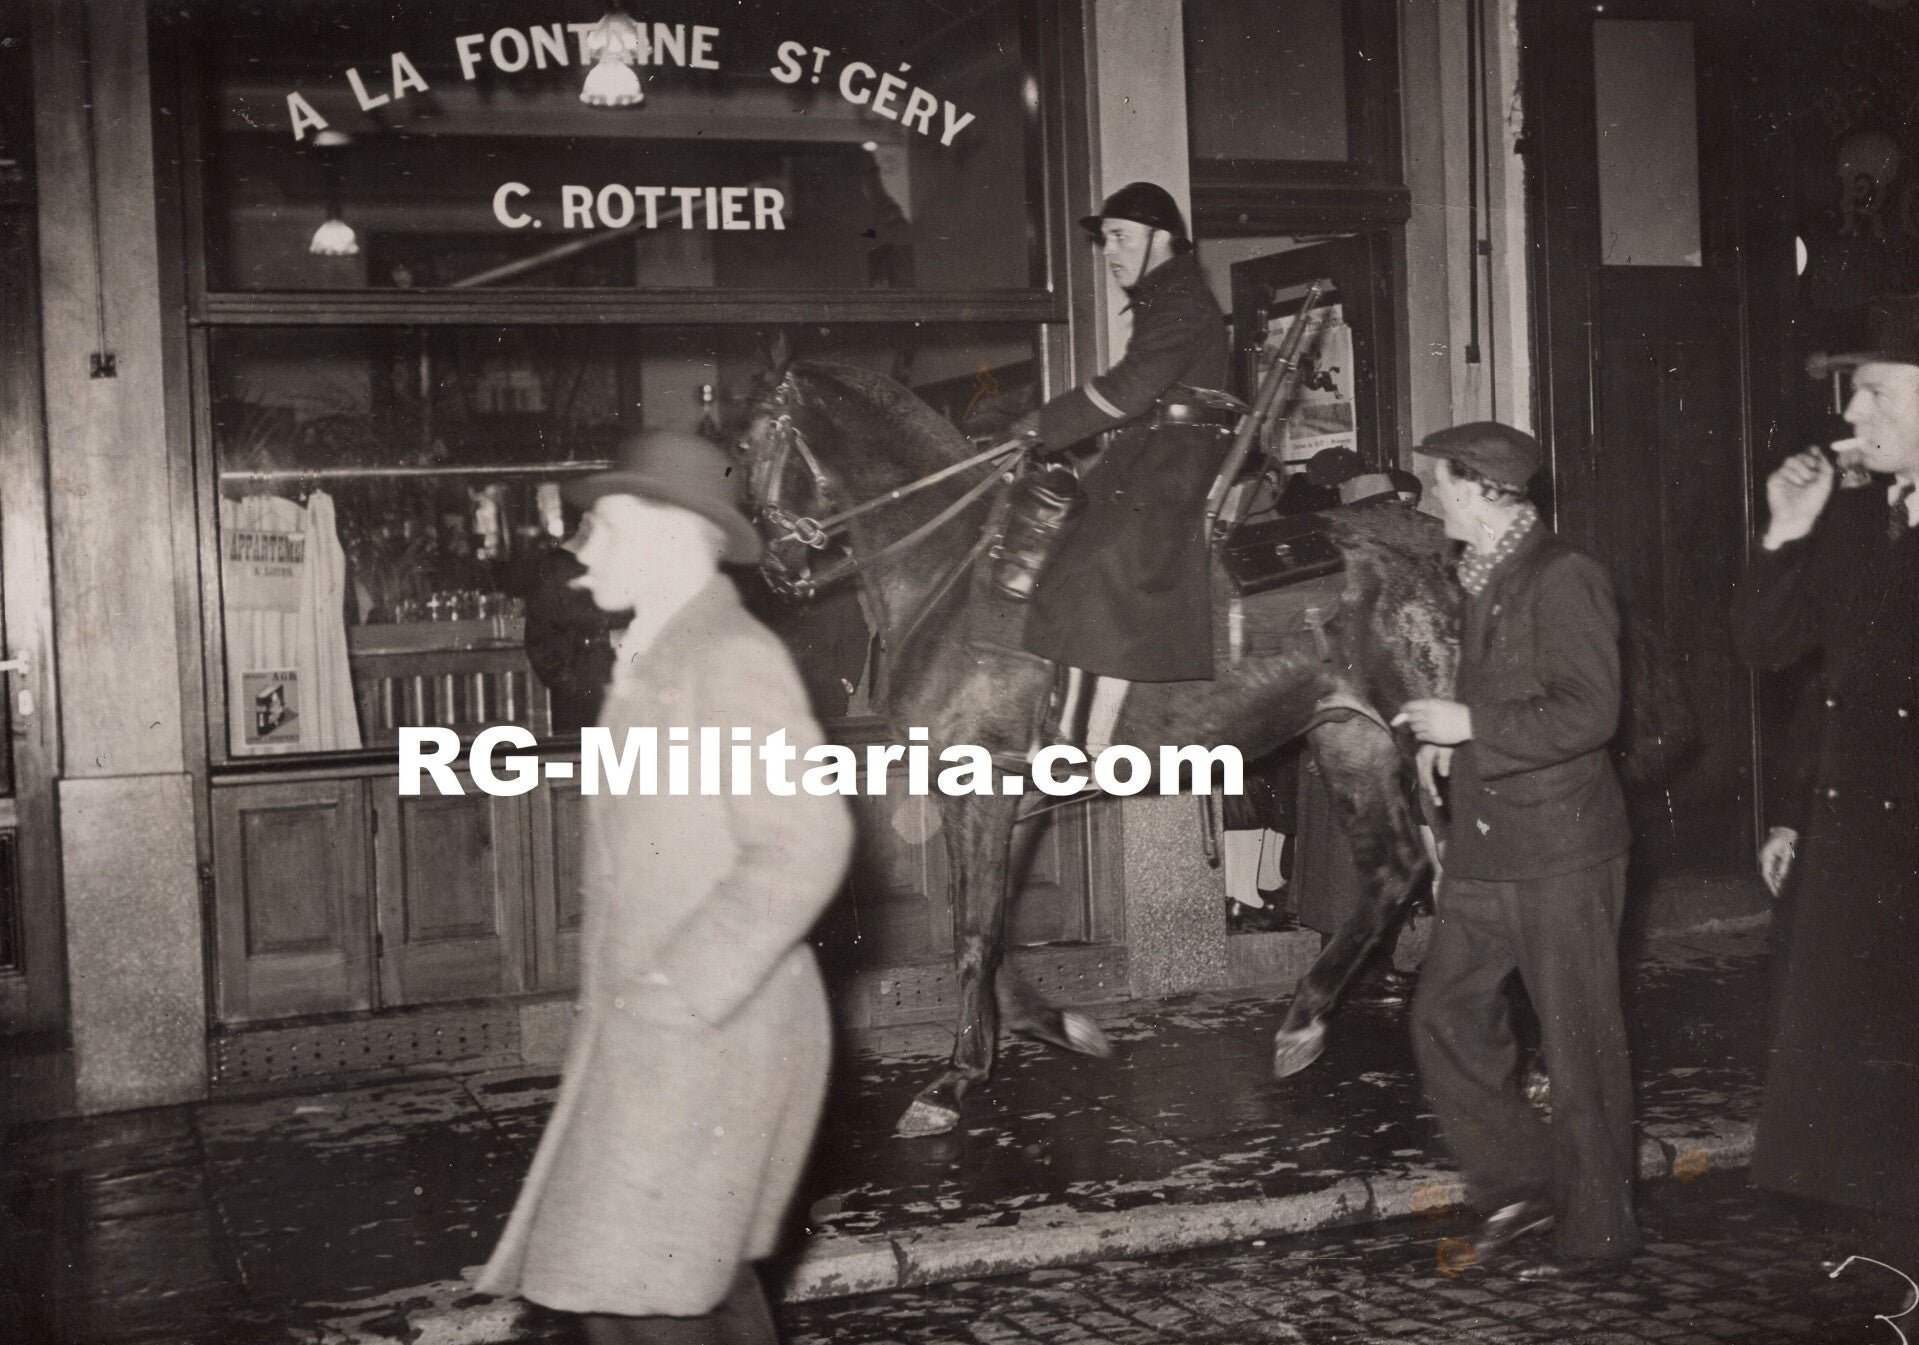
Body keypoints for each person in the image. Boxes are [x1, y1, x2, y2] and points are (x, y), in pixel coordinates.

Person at [476, 430, 855, 1345]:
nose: (580, 548)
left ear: (674, 533)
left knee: (637, 1291)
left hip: (710, 1033)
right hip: (671, 1037)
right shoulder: (662, 649)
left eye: (602, 527)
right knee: (664, 1291)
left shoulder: (727, 656)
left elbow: (805, 842)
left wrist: (677, 988)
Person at [1394, 421, 1639, 1280]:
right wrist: (1449, 744)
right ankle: (1524, 1182)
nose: (1429, 500)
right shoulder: (1483, 574)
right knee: (1442, 1013)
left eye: (1438, 484)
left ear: (1479, 488)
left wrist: (1471, 727)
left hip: (1559, 845)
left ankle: (1598, 1233)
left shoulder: (1561, 574)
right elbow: (1505, 694)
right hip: (1489, 844)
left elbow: (1589, 711)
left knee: (1578, 1042)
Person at [1729, 296, 1919, 1250]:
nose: (1851, 420)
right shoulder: (1855, 519)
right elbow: (1781, 659)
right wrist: (1783, 532)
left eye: (1875, 394)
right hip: (1853, 854)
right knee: (1862, 1147)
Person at [1008, 181, 1234, 747]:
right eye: (1105, 239)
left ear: (1163, 240)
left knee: (1100, 560)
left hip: (1175, 457)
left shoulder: (1180, 302)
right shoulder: (1166, 296)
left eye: (1120, 237)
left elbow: (1131, 390)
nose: (1108, 251)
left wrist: (1042, 426)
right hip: (1152, 452)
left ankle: (1086, 738)